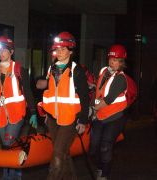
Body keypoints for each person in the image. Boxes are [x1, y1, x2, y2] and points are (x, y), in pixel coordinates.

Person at [0, 35, 37, 180]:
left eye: (5, 50)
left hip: (16, 112)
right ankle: (14, 172)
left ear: (11, 52)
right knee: (9, 145)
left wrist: (33, 112)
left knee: (7, 141)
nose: (1, 53)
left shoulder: (19, 69)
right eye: (0, 50)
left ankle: (10, 176)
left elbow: (28, 92)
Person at [37, 31, 90, 179]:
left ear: (70, 51)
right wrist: (47, 115)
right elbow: (50, 94)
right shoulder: (51, 69)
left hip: (69, 120)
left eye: (62, 49)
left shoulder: (77, 70)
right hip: (53, 119)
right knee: (64, 153)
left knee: (58, 154)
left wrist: (83, 121)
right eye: (56, 49)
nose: (58, 52)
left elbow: (85, 98)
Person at [89, 44, 129, 180]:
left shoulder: (121, 78)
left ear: (122, 62)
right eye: (111, 58)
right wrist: (93, 86)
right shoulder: (104, 71)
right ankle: (100, 166)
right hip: (100, 116)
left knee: (105, 145)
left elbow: (107, 99)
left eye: (116, 60)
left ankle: (104, 174)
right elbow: (99, 92)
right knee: (94, 146)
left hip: (115, 117)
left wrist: (91, 110)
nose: (112, 62)